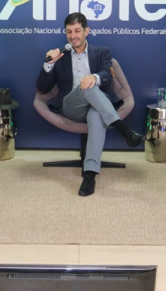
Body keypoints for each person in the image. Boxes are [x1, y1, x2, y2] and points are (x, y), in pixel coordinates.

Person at [36, 12, 144, 197]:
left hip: (97, 106)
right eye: (69, 31)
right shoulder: (60, 57)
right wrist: (49, 65)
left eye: (77, 30)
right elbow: (42, 88)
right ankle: (124, 130)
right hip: (71, 107)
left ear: (87, 31)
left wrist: (94, 77)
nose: (73, 36)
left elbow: (107, 75)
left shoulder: (102, 52)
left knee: (96, 113)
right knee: (86, 87)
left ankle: (89, 175)